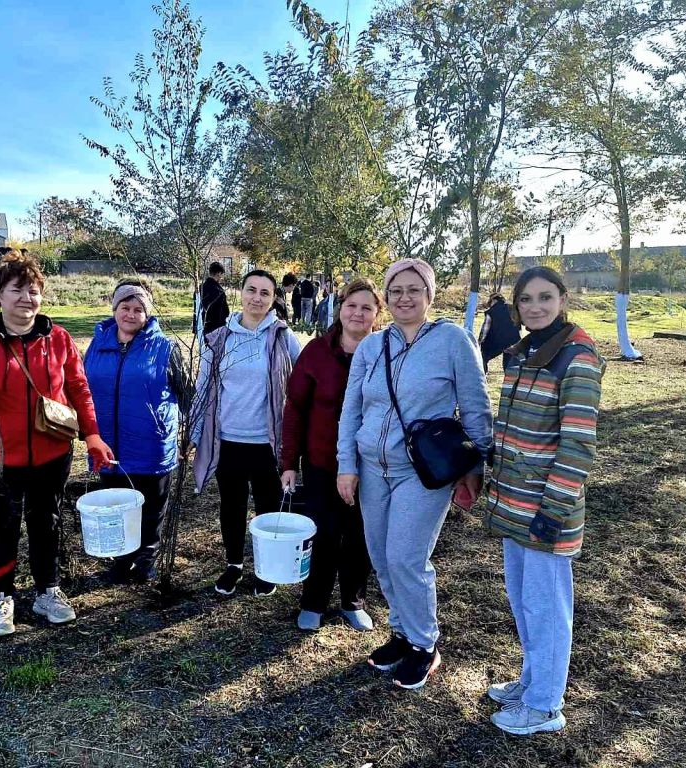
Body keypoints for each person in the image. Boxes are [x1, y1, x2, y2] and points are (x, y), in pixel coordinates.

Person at [337, 258, 492, 690]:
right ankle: (402, 633)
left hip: (420, 472)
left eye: (414, 289)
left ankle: (425, 644)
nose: (404, 297)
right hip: (371, 468)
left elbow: (476, 408)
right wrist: (347, 465)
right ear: (386, 297)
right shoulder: (372, 346)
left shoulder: (453, 341)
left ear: (429, 294)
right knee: (382, 557)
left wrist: (475, 465)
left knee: (407, 557)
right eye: (396, 290)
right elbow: (352, 410)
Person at [0, 251, 115, 637]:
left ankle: (47, 590)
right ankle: (1, 597)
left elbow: (78, 389)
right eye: (17, 290)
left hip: (51, 453)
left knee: (46, 520)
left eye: (34, 291)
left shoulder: (58, 339)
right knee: (2, 524)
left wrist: (92, 435)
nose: (27, 298)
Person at [483, 266, 605, 736]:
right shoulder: (522, 352)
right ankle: (533, 682)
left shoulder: (577, 357)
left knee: (548, 608)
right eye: (527, 299)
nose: (535, 306)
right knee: (523, 601)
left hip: (545, 509)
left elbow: (578, 444)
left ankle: (545, 707)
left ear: (562, 299)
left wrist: (552, 511)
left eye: (545, 297)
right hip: (513, 501)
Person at [191, 269, 302, 597]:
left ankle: (266, 568)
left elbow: (302, 383)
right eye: (251, 290)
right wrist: (194, 434)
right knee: (232, 505)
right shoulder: (219, 338)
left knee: (268, 506)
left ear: (273, 299)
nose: (257, 298)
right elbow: (203, 388)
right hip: (229, 440)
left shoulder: (283, 337)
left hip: (268, 443)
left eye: (265, 293)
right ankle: (234, 565)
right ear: (240, 293)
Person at [280, 278, 381, 632]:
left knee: (360, 533)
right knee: (323, 531)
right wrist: (289, 462)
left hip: (371, 465)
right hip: (322, 461)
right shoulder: (316, 353)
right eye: (351, 305)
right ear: (340, 308)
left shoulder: (386, 353)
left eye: (367, 307)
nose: (358, 313)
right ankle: (313, 601)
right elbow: (294, 408)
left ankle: (352, 601)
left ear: (376, 314)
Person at [84, 280, 191, 585]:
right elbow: (82, 390)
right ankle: (121, 559)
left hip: (151, 445)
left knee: (151, 508)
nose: (130, 314)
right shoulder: (97, 345)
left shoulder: (165, 348)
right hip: (108, 446)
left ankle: (147, 559)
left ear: (148, 313)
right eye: (125, 307)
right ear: (114, 308)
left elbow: (187, 395)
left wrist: (187, 436)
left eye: (138, 309)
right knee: (117, 506)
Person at [478, 293, 521, 373]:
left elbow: (485, 330)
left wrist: (479, 342)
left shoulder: (491, 312)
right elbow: (518, 324)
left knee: (482, 357)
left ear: (494, 300)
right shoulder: (512, 309)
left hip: (496, 341)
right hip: (514, 340)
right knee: (509, 365)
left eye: (490, 302)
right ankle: (511, 380)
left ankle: (482, 375)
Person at [199, 261, 230, 338]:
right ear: (218, 273)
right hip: (215, 328)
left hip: (201, 325)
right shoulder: (219, 291)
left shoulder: (200, 288)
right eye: (221, 275)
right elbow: (224, 312)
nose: (221, 278)